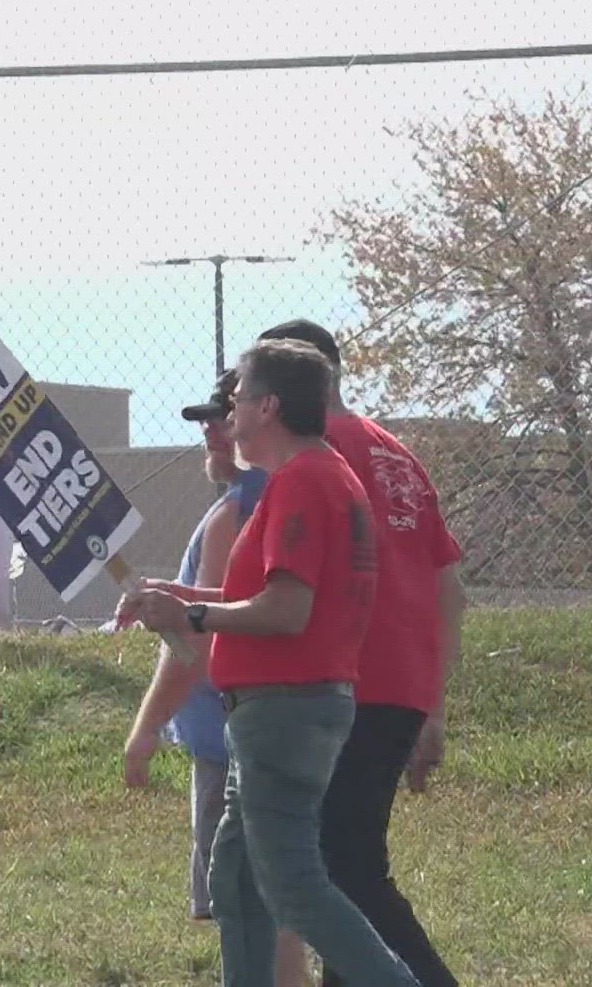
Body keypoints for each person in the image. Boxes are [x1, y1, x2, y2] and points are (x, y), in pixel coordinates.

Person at [120, 339, 418, 987]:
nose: (228, 415)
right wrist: (175, 597)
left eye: (238, 400)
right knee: (237, 877)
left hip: (286, 709)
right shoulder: (312, 475)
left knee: (294, 889)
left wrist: (192, 619)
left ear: (270, 406)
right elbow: (249, 599)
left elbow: (287, 611)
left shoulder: (306, 480)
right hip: (278, 709)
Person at [256, 320, 466, 987]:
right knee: (342, 865)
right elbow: (449, 589)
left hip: (350, 683)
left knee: (343, 868)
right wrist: (431, 706)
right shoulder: (394, 452)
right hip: (401, 685)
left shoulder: (316, 455)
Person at [122, 372, 309, 986]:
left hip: (227, 732)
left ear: (256, 417)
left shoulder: (236, 510)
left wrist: (144, 729)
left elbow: (196, 642)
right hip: (277, 721)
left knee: (242, 899)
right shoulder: (287, 493)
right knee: (277, 893)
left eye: (219, 417)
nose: (208, 432)